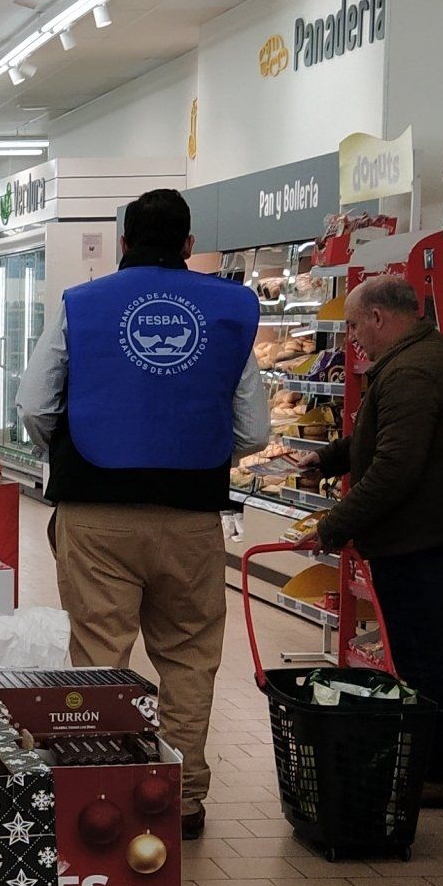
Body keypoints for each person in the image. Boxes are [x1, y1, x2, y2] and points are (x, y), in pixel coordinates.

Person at [19, 186, 265, 835]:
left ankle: (105, 790)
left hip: (96, 511)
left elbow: (35, 403)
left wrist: (66, 452)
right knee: (189, 656)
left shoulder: (82, 304)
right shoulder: (230, 309)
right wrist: (199, 451)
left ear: (123, 242)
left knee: (101, 653)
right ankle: (180, 799)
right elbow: (255, 430)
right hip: (192, 515)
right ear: (189, 244)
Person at [298, 274, 443, 808]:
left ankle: (441, 771)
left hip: (418, 540)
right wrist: (327, 458)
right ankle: (434, 762)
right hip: (430, 532)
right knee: (420, 651)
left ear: (378, 318)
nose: (353, 339)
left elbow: (393, 468)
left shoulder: (411, 371)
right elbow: (379, 439)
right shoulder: (422, 356)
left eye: (355, 326)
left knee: (420, 657)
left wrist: (331, 527)